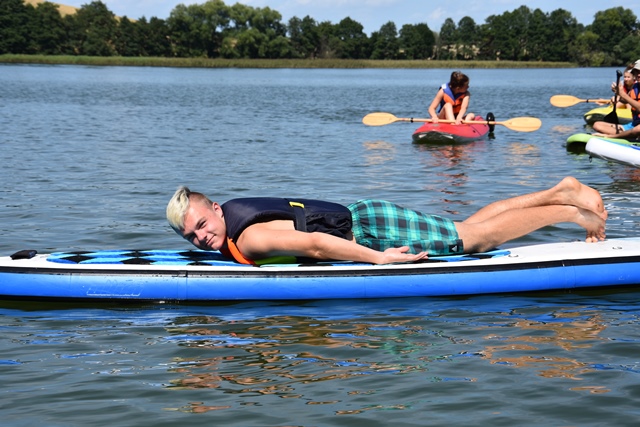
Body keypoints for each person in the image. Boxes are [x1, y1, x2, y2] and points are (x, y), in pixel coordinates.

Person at [166, 177, 607, 266]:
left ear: (217, 208)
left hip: (372, 231)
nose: (201, 238)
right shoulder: (230, 225)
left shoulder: (250, 237)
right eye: (191, 237)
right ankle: (558, 192)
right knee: (466, 228)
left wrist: (378, 259)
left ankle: (571, 210)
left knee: (479, 240)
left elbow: (316, 244)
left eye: (202, 225)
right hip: (366, 217)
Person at [592, 61, 640, 138]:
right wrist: (618, 95)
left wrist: (622, 94)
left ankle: (612, 136)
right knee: (597, 125)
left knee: (638, 129)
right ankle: (628, 134)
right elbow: (625, 100)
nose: (638, 74)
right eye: (636, 72)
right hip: (634, 124)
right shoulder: (635, 87)